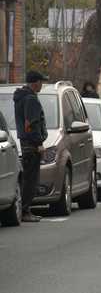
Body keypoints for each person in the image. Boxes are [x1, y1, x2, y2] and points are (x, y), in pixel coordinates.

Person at [14, 71, 49, 222]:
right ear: (35, 82)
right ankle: (25, 211)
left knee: (28, 178)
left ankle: (24, 209)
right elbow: (31, 124)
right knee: (31, 180)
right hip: (31, 145)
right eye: (41, 81)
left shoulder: (21, 98)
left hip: (25, 143)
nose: (42, 84)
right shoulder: (31, 99)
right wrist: (39, 143)